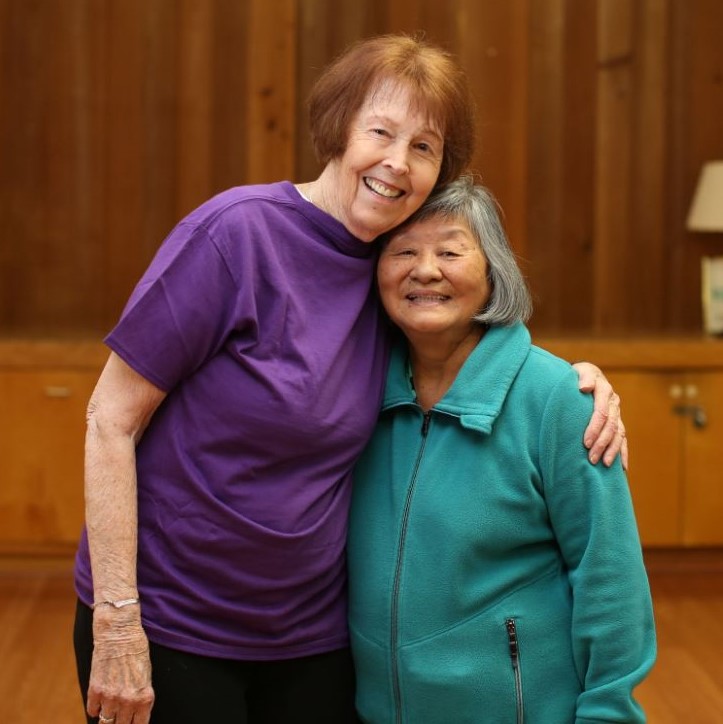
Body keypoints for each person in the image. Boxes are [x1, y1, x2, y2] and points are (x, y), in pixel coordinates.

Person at [73, 35, 627, 724]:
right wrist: (117, 620)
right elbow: (109, 418)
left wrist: (574, 381)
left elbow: (465, 350)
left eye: (423, 147)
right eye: (381, 132)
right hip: (173, 626)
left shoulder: (386, 273)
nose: (397, 162)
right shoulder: (234, 235)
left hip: (313, 642)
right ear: (338, 129)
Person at [346, 175, 656, 724]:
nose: (425, 269)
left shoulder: (558, 399)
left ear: (492, 271)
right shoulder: (351, 391)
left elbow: (611, 583)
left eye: (449, 250)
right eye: (403, 252)